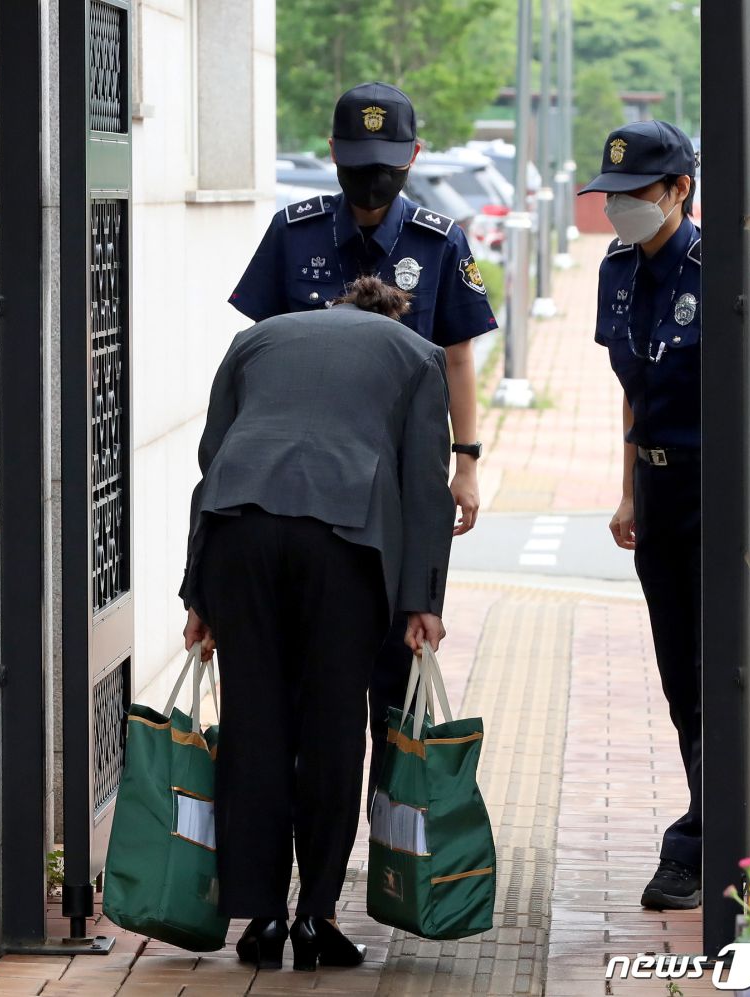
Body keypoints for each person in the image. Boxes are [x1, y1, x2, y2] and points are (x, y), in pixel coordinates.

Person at [228, 81, 496, 811]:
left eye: (386, 159)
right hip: (302, 491)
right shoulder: (296, 232)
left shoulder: (440, 242)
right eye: (357, 159)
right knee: (298, 670)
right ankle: (305, 819)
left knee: (398, 658)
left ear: (413, 155)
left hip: (400, 493)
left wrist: (467, 461)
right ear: (334, 154)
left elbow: (458, 356)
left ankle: (387, 826)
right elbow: (253, 352)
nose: (371, 177)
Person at [180, 276, 455, 969]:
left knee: (255, 721)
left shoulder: (257, 339)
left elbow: (212, 461)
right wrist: (423, 599)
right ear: (392, 314)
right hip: (344, 539)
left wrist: (197, 593)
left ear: (333, 308)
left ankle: (261, 916)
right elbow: (425, 483)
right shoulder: (418, 354)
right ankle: (316, 917)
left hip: (239, 532)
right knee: (332, 725)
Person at [579, 120, 701, 910]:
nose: (620, 209)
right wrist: (627, 490)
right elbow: (633, 388)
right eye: (612, 195)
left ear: (679, 190)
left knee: (721, 668)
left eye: (636, 195)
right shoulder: (617, 269)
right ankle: (712, 817)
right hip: (658, 494)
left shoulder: (722, 269)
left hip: (718, 493)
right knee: (681, 676)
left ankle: (703, 838)